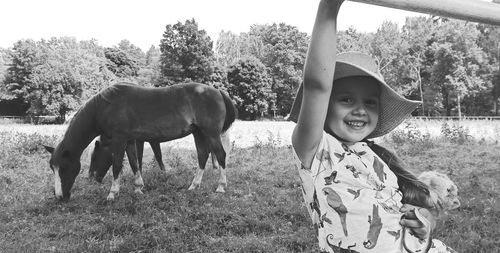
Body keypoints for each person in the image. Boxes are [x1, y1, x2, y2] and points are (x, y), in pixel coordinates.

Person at [289, 0, 456, 252]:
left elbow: (407, 213)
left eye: (370, 102)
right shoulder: (317, 151)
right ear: (324, 106)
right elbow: (317, 85)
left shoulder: (378, 156)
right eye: (346, 99)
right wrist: (329, 7)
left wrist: (424, 224)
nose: (360, 109)